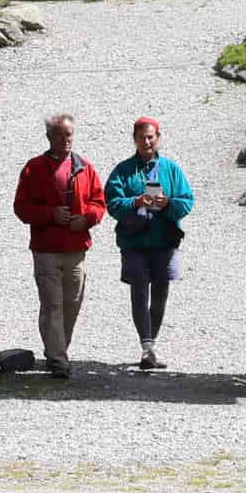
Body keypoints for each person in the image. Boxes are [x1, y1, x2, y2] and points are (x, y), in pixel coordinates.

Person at [11, 112, 105, 379]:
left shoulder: (85, 167)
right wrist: (51, 215)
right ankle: (58, 359)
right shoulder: (34, 168)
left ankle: (58, 349)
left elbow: (99, 202)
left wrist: (86, 219)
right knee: (52, 304)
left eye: (69, 135)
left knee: (72, 303)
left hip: (76, 250)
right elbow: (21, 207)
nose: (66, 140)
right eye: (60, 135)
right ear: (49, 137)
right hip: (46, 250)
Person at [105, 116, 194, 372]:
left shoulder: (171, 169)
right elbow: (111, 203)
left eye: (151, 137)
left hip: (164, 241)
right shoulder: (122, 170)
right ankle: (147, 346)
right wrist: (136, 202)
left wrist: (168, 204)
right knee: (139, 292)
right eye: (142, 137)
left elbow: (187, 200)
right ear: (134, 139)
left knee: (160, 296)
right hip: (133, 243)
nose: (147, 141)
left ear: (158, 138)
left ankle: (150, 345)